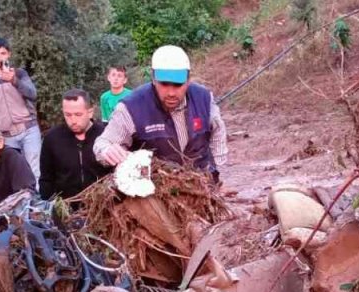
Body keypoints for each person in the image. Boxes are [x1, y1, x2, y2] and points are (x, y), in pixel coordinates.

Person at [94, 45, 228, 181]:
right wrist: (107, 151)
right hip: (156, 190)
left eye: (177, 85)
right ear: (153, 79)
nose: (171, 93)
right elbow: (103, 143)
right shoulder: (132, 107)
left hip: (200, 185)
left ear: (188, 81)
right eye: (164, 84)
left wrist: (217, 171)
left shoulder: (204, 98)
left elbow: (218, 131)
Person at [0, 36, 42, 180]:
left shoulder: (19, 73)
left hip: (28, 130)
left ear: (8, 54)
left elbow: (33, 94)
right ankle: (20, 202)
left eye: (3, 53)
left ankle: (36, 201)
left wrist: (13, 80)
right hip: (6, 136)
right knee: (13, 174)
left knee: (34, 171)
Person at [40, 89, 110, 203]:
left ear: (90, 112)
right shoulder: (52, 139)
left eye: (78, 114)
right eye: (67, 115)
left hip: (103, 206)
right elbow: (46, 179)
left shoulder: (106, 135)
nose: (73, 120)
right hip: (66, 209)